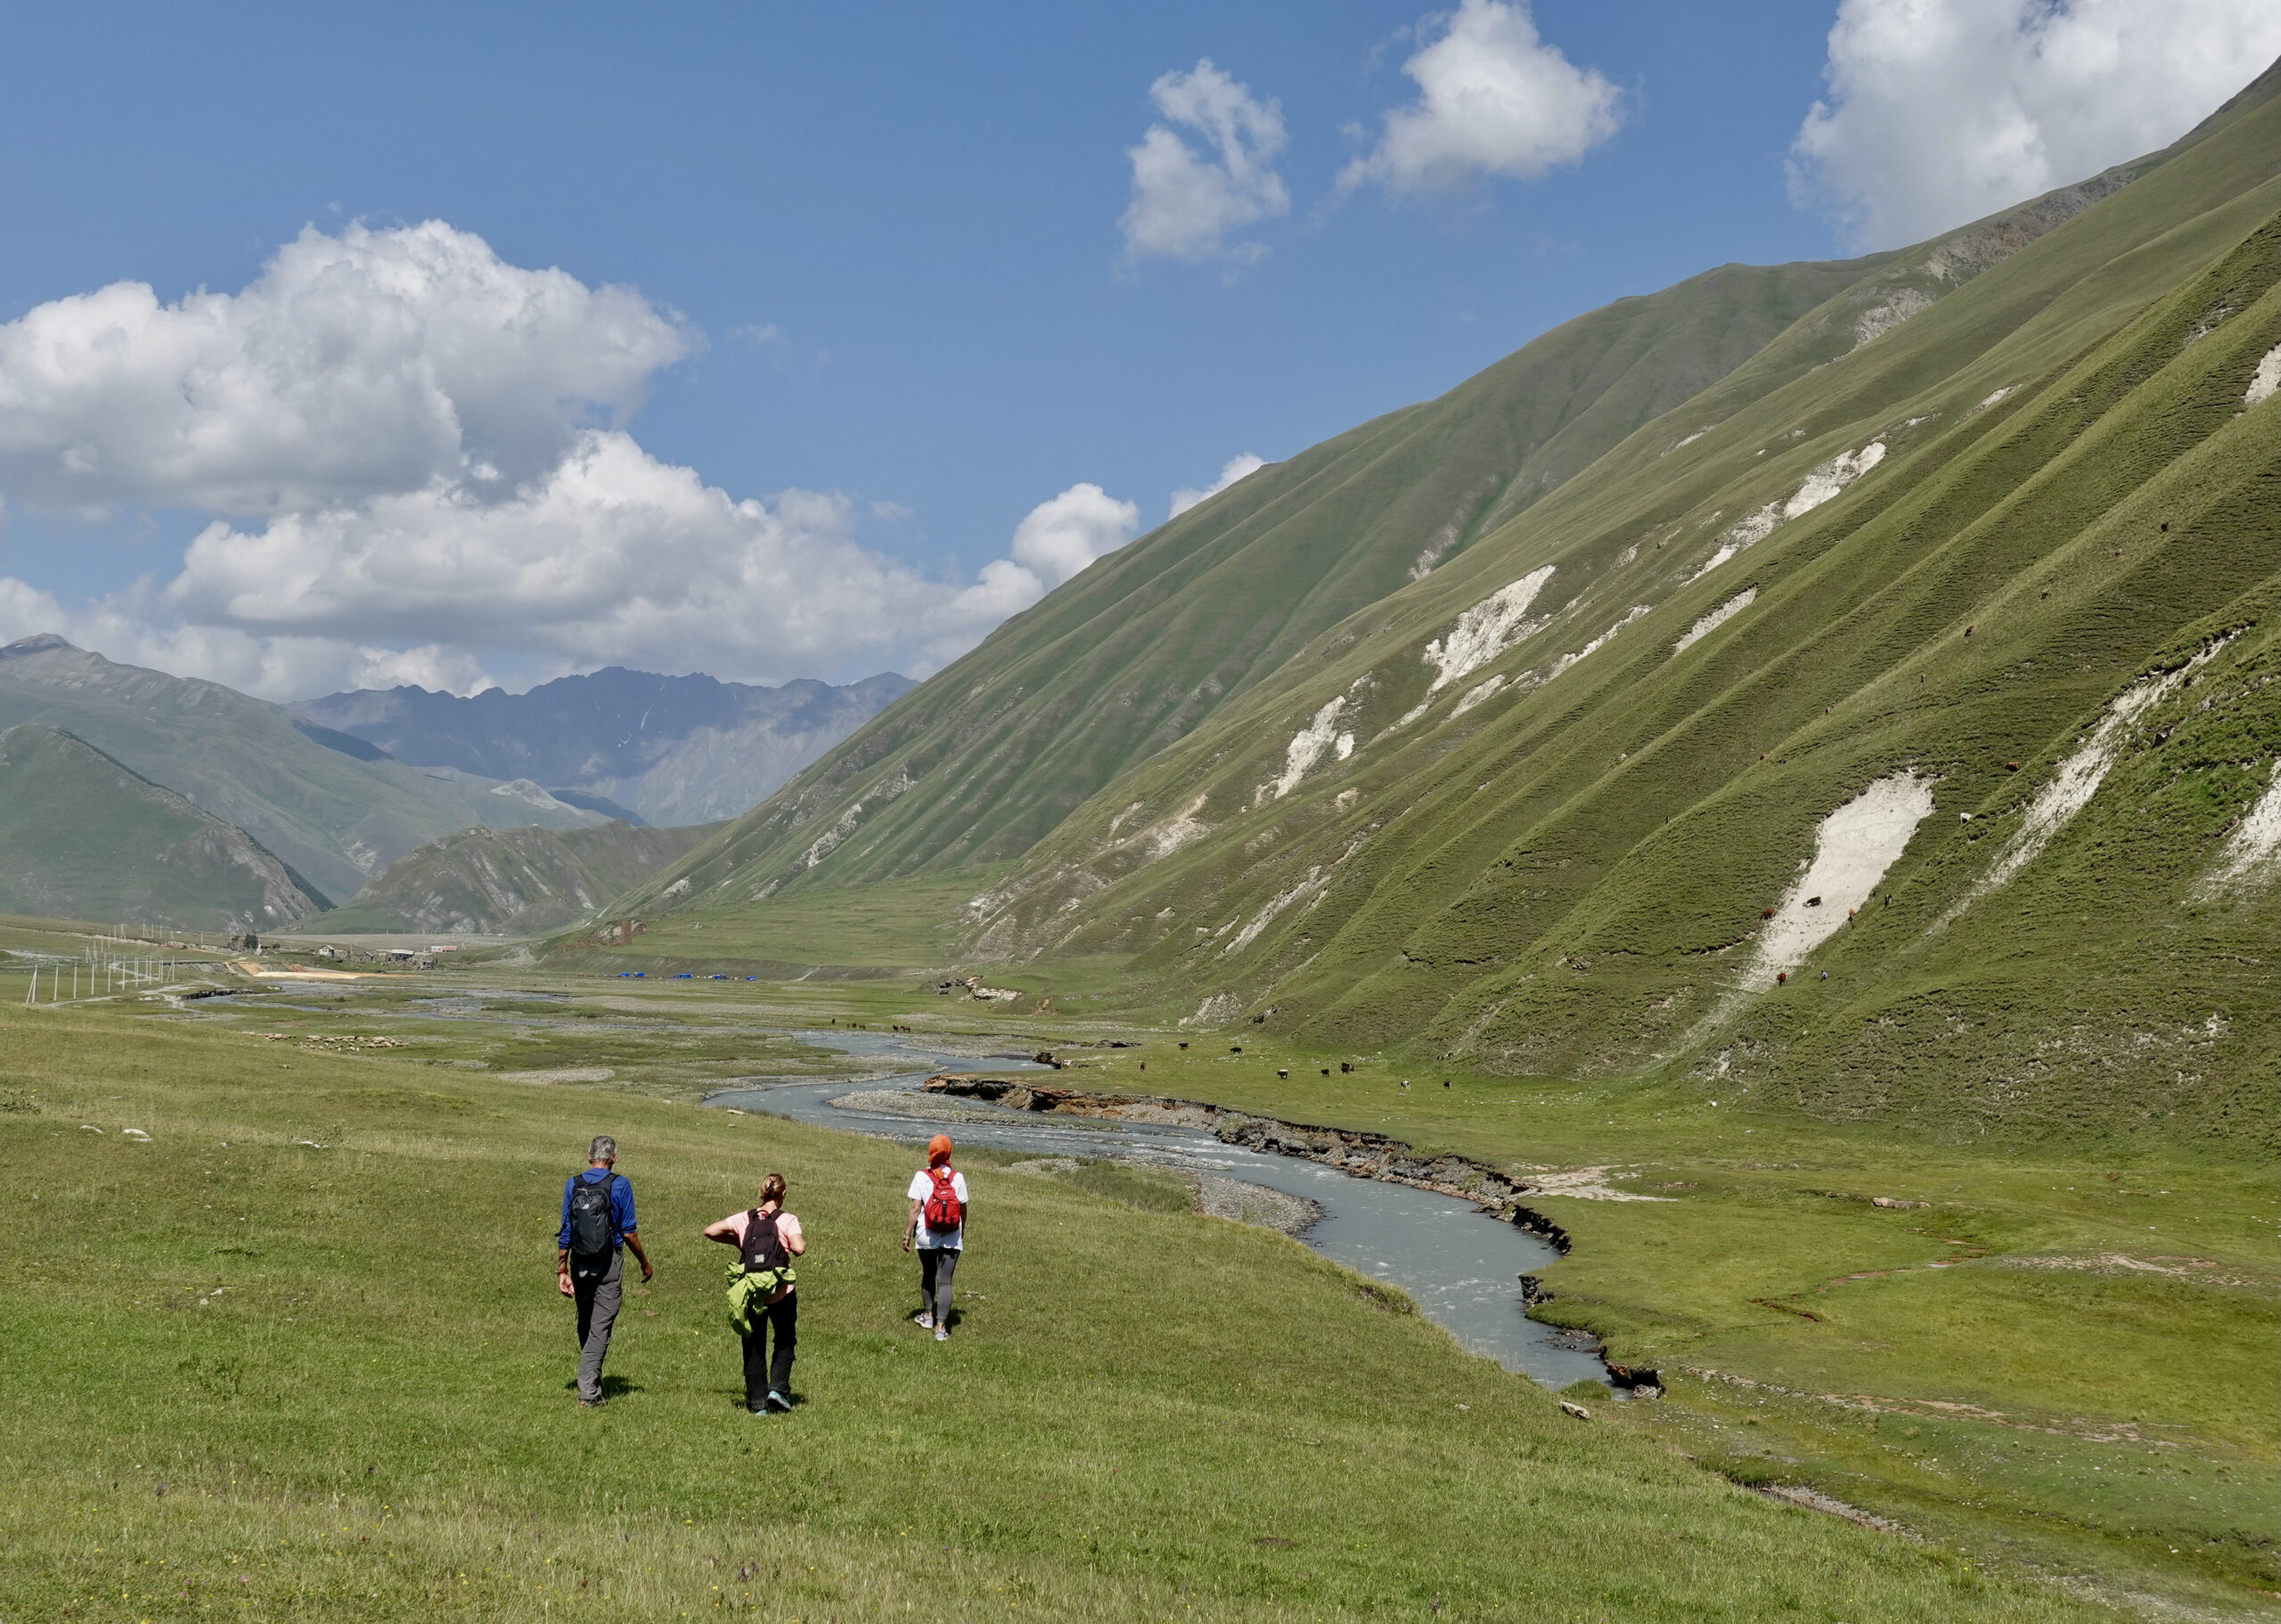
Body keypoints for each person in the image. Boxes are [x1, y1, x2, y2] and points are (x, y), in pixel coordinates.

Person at [555, 1135, 652, 1408]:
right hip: (609, 1260)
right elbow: (629, 1231)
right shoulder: (620, 1184)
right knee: (601, 1323)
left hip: (579, 1261)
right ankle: (588, 1392)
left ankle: (592, 1381)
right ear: (614, 1158)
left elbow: (566, 1230)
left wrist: (562, 1268)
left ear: (589, 1156)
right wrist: (644, 1262)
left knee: (586, 1318)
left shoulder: (572, 1184)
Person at [704, 1173, 805, 1415]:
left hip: (751, 1291)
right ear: (783, 1194)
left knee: (752, 1345)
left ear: (761, 1193)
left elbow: (709, 1231)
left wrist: (739, 1242)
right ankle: (777, 1390)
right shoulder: (788, 1219)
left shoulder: (744, 1218)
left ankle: (757, 1403)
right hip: (781, 1290)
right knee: (784, 1340)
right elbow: (799, 1248)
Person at [903, 1133, 969, 1342]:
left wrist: (906, 1234)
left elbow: (915, 1209)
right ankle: (941, 1329)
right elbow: (962, 1208)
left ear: (931, 1151)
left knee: (928, 1273)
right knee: (945, 1282)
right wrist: (962, 1230)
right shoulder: (958, 1177)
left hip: (926, 1235)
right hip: (951, 1235)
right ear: (949, 1152)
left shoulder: (921, 1176)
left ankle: (928, 1316)